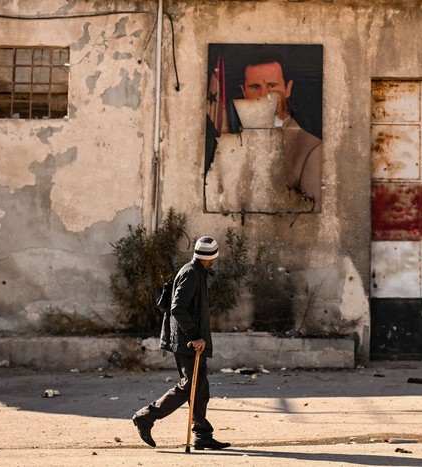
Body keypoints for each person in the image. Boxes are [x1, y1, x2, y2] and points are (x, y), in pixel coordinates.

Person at [132, 236, 230, 451]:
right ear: (212, 258)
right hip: (188, 341)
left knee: (200, 388)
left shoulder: (196, 271)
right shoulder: (192, 274)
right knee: (189, 386)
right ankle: (145, 417)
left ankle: (202, 434)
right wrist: (195, 336)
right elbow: (177, 308)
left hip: (193, 341)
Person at [240, 56, 323, 210]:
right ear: (244, 92)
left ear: (288, 88)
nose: (264, 95)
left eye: (272, 85)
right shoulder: (235, 143)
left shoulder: (311, 149)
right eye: (255, 86)